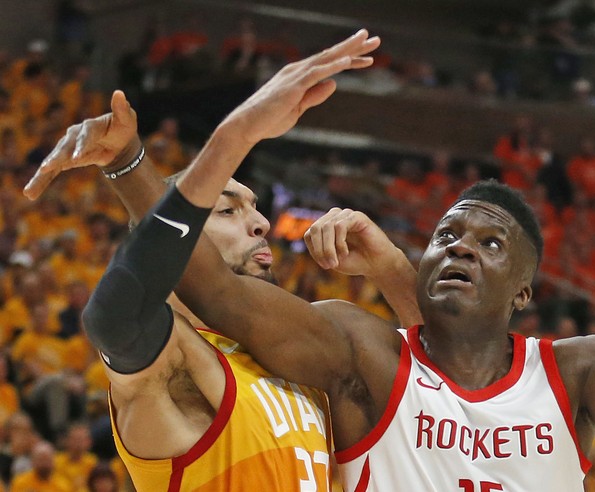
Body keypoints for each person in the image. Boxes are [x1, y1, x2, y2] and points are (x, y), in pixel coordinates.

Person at [26, 29, 595, 490]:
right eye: (448, 235)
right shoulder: (362, 351)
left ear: (524, 290)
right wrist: (134, 168)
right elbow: (202, 281)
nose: (459, 247)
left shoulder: (575, 371)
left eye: (489, 243)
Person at [23, 30, 424, 491]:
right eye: (227, 209)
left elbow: (446, 391)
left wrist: (388, 265)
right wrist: (236, 136)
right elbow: (112, 318)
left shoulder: (305, 351)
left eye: (256, 208)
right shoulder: (174, 360)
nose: (261, 224)